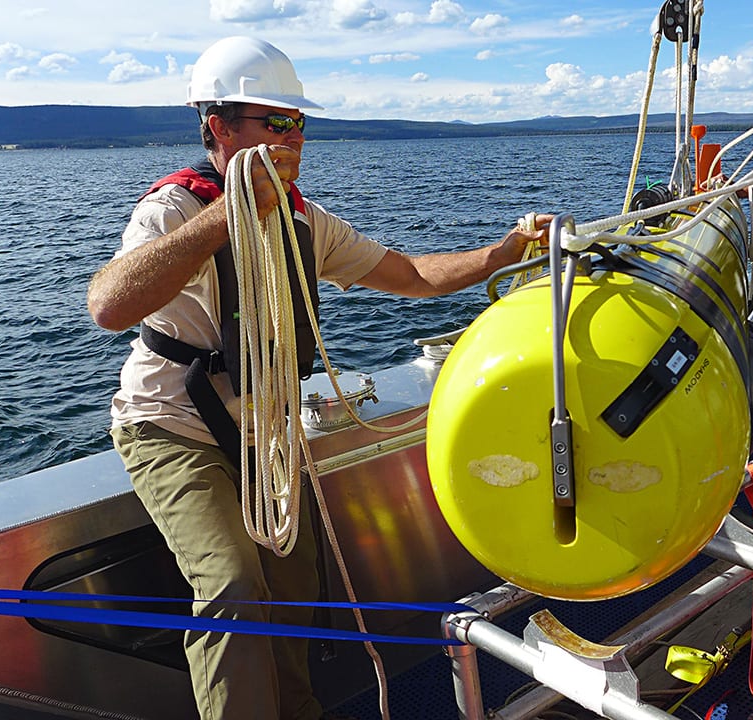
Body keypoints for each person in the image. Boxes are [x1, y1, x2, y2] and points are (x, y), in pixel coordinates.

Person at [85, 36, 546, 720]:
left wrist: (504, 252)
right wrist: (229, 215)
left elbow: (410, 275)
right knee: (234, 583)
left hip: (262, 438)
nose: (292, 137)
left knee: (294, 588)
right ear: (218, 127)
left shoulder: (306, 220)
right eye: (274, 122)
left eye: (298, 122)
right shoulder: (175, 210)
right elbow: (109, 304)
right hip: (171, 427)